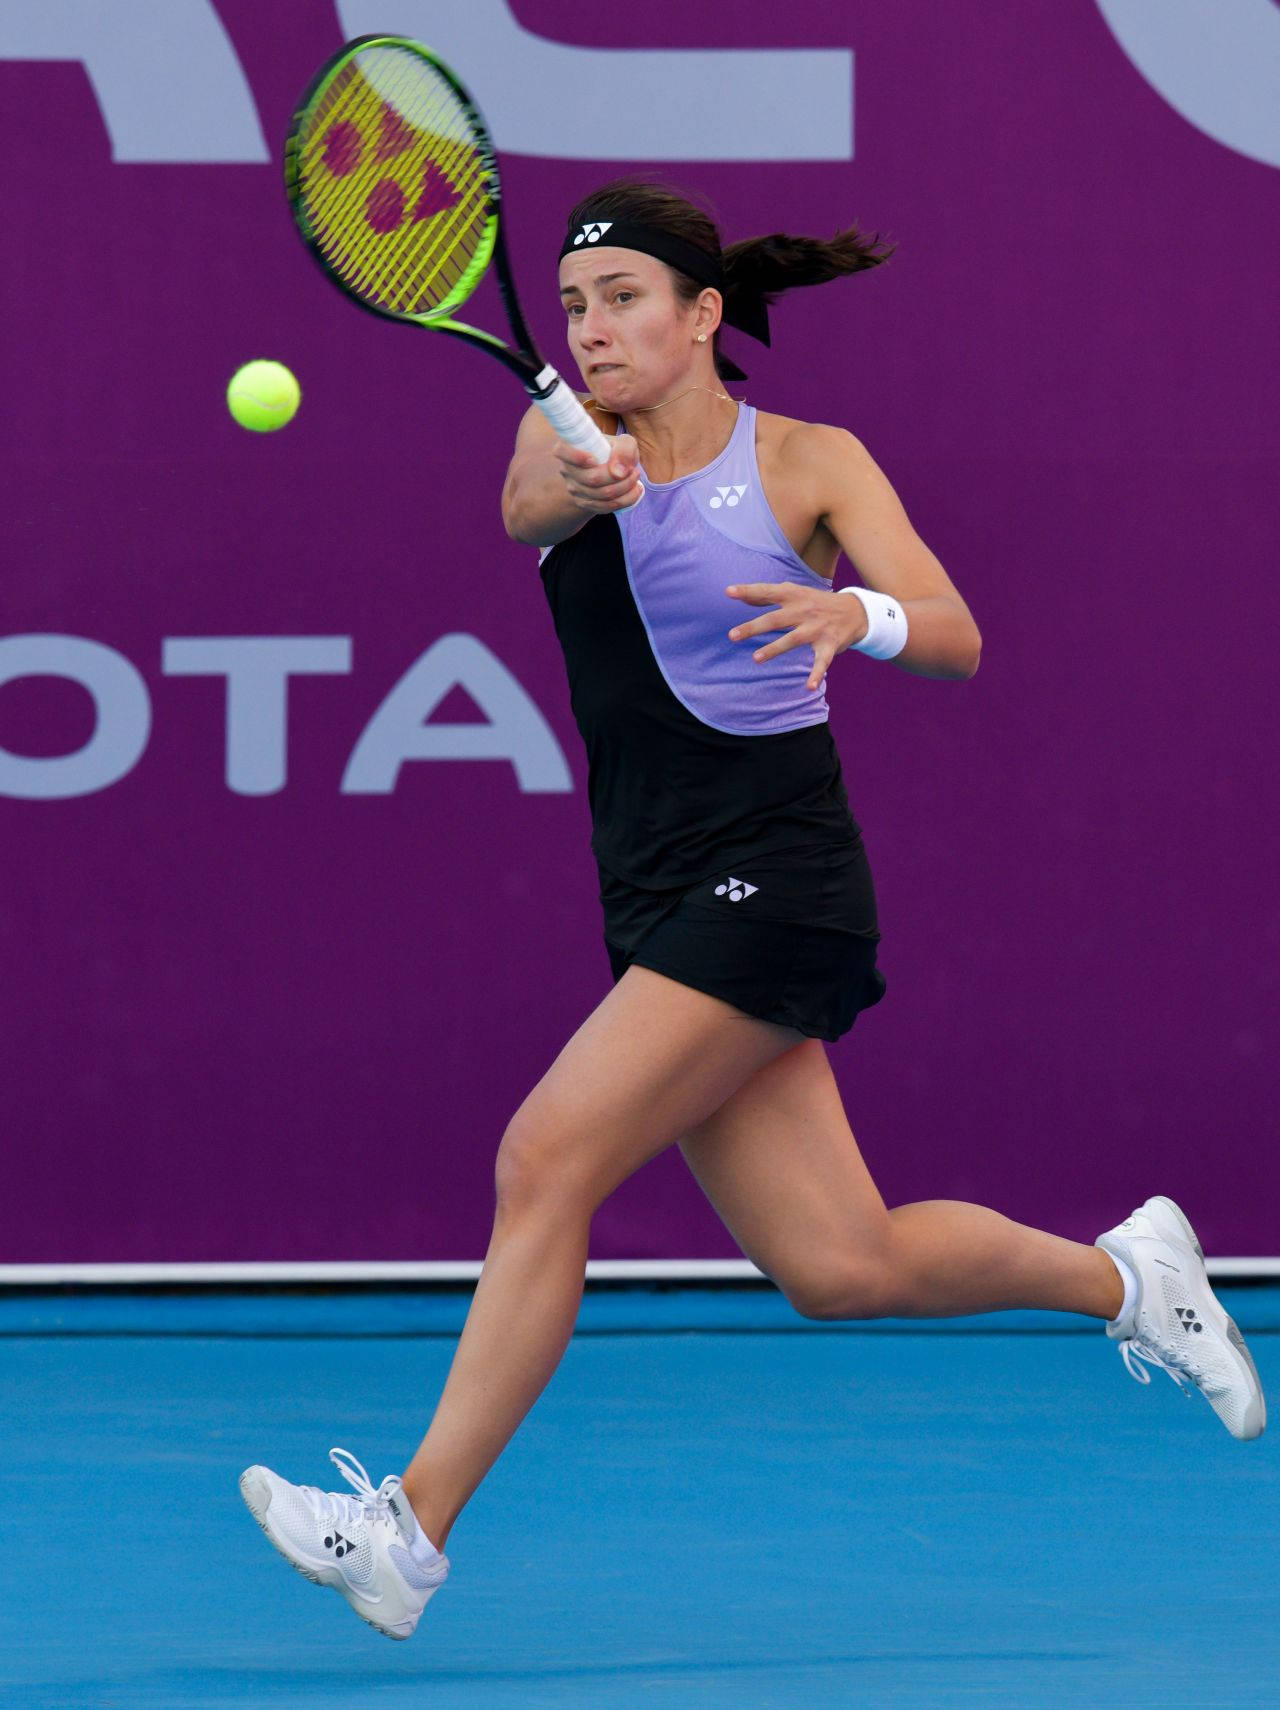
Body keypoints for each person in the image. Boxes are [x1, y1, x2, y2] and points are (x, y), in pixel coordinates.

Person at [239, 180, 1266, 1640]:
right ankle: (1132, 1276)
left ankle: (406, 1530)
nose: (591, 330)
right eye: (575, 305)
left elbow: (958, 635)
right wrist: (581, 485)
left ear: (703, 313)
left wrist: (860, 612)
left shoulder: (808, 462)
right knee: (840, 1264)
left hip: (779, 876)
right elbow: (527, 504)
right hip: (655, 882)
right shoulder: (557, 445)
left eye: (623, 301)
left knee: (545, 1155)